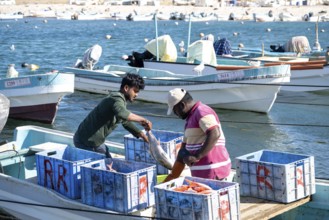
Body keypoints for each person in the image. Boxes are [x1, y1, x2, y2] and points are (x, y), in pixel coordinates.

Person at [73, 73, 152, 158]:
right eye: (135, 91)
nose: (136, 95)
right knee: (105, 166)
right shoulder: (116, 99)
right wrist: (144, 120)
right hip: (85, 142)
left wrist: (141, 134)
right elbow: (123, 114)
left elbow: (125, 121)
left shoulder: (120, 101)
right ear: (126, 88)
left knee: (109, 162)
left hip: (95, 141)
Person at [164, 88, 231, 182]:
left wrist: (197, 156)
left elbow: (214, 133)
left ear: (182, 105)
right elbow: (182, 152)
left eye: (175, 110)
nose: (176, 114)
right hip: (201, 176)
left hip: (214, 173)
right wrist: (171, 177)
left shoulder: (202, 111)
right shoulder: (190, 120)